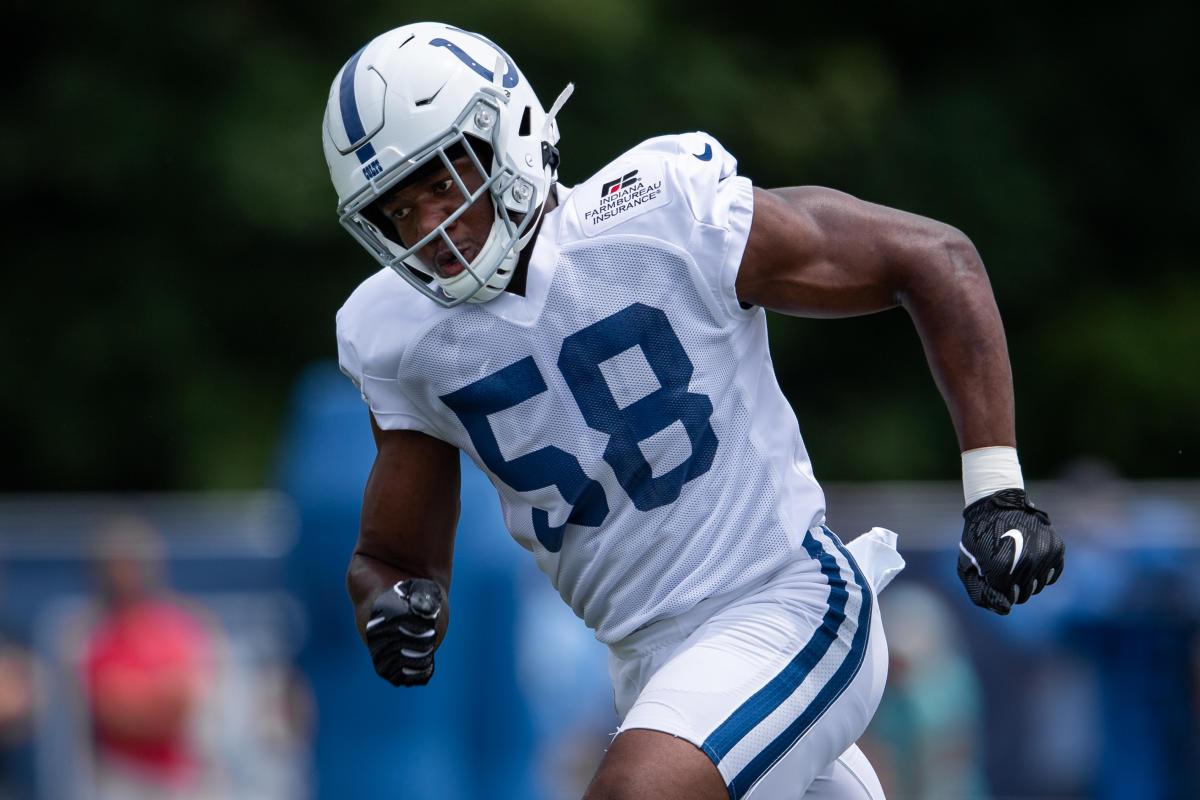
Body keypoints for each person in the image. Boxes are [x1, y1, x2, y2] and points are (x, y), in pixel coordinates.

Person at [322, 22, 1065, 800]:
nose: (431, 230)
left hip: (784, 601)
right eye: (399, 212)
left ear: (506, 135)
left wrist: (997, 492)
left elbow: (934, 260)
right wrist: (395, 607)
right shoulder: (399, 338)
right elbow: (393, 558)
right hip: (648, 670)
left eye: (443, 184)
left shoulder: (660, 212)